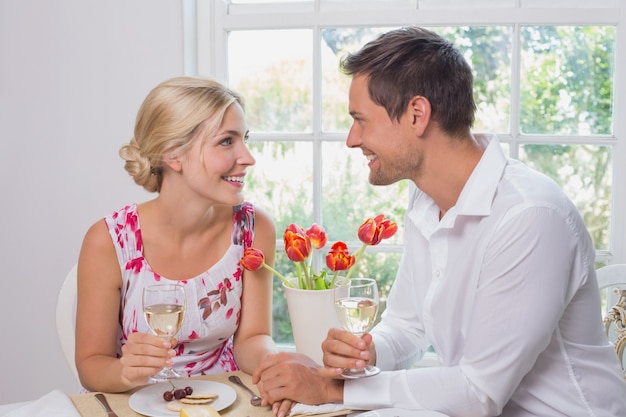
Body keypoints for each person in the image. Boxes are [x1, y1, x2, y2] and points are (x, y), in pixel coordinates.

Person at [252, 26, 626, 417]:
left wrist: (328, 388)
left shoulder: (531, 217)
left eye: (361, 120)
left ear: (417, 114)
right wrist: (368, 351)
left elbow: (478, 392)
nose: (351, 139)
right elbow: (408, 326)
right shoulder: (426, 197)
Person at [75, 76, 279, 393]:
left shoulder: (253, 229)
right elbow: (92, 364)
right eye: (227, 141)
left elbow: (251, 339)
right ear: (173, 155)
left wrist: (275, 364)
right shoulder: (109, 241)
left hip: (224, 402)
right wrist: (124, 371)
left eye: (244, 139)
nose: (248, 157)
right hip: (135, 405)